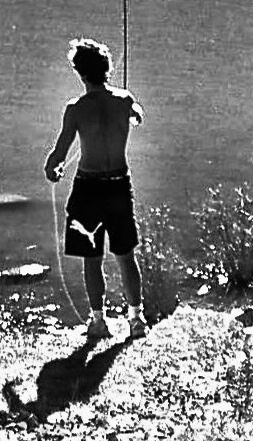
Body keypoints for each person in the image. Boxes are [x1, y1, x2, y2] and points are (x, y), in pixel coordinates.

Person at [44, 37, 147, 340]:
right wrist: (137, 111)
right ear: (107, 69)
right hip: (118, 186)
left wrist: (52, 169)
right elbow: (136, 108)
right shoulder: (124, 100)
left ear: (79, 72)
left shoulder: (75, 109)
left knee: (92, 258)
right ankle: (136, 320)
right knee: (126, 255)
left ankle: (98, 321)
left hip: (87, 189)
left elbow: (59, 152)